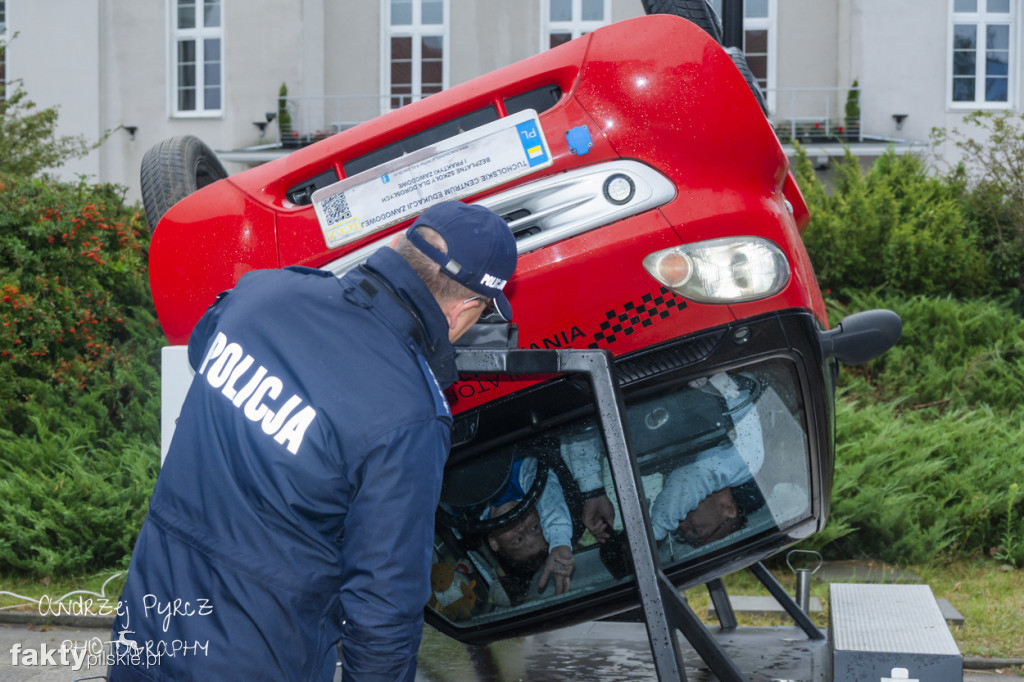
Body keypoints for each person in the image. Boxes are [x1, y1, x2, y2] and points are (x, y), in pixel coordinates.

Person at [108, 201, 518, 681]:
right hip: (259, 657)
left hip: (147, 627)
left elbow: (202, 348)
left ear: (394, 247)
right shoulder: (409, 414)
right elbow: (383, 601)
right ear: (464, 311)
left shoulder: (265, 292)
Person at [649, 371, 766, 546]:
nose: (680, 523)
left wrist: (594, 492)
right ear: (727, 508)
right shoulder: (747, 464)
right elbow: (689, 480)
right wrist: (651, 536)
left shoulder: (670, 461)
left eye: (681, 533)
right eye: (696, 529)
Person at [484, 457, 575, 596]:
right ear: (540, 514)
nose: (521, 528)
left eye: (517, 540)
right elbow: (547, 491)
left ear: (494, 542)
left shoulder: (465, 515)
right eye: (534, 528)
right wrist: (559, 540)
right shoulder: (526, 480)